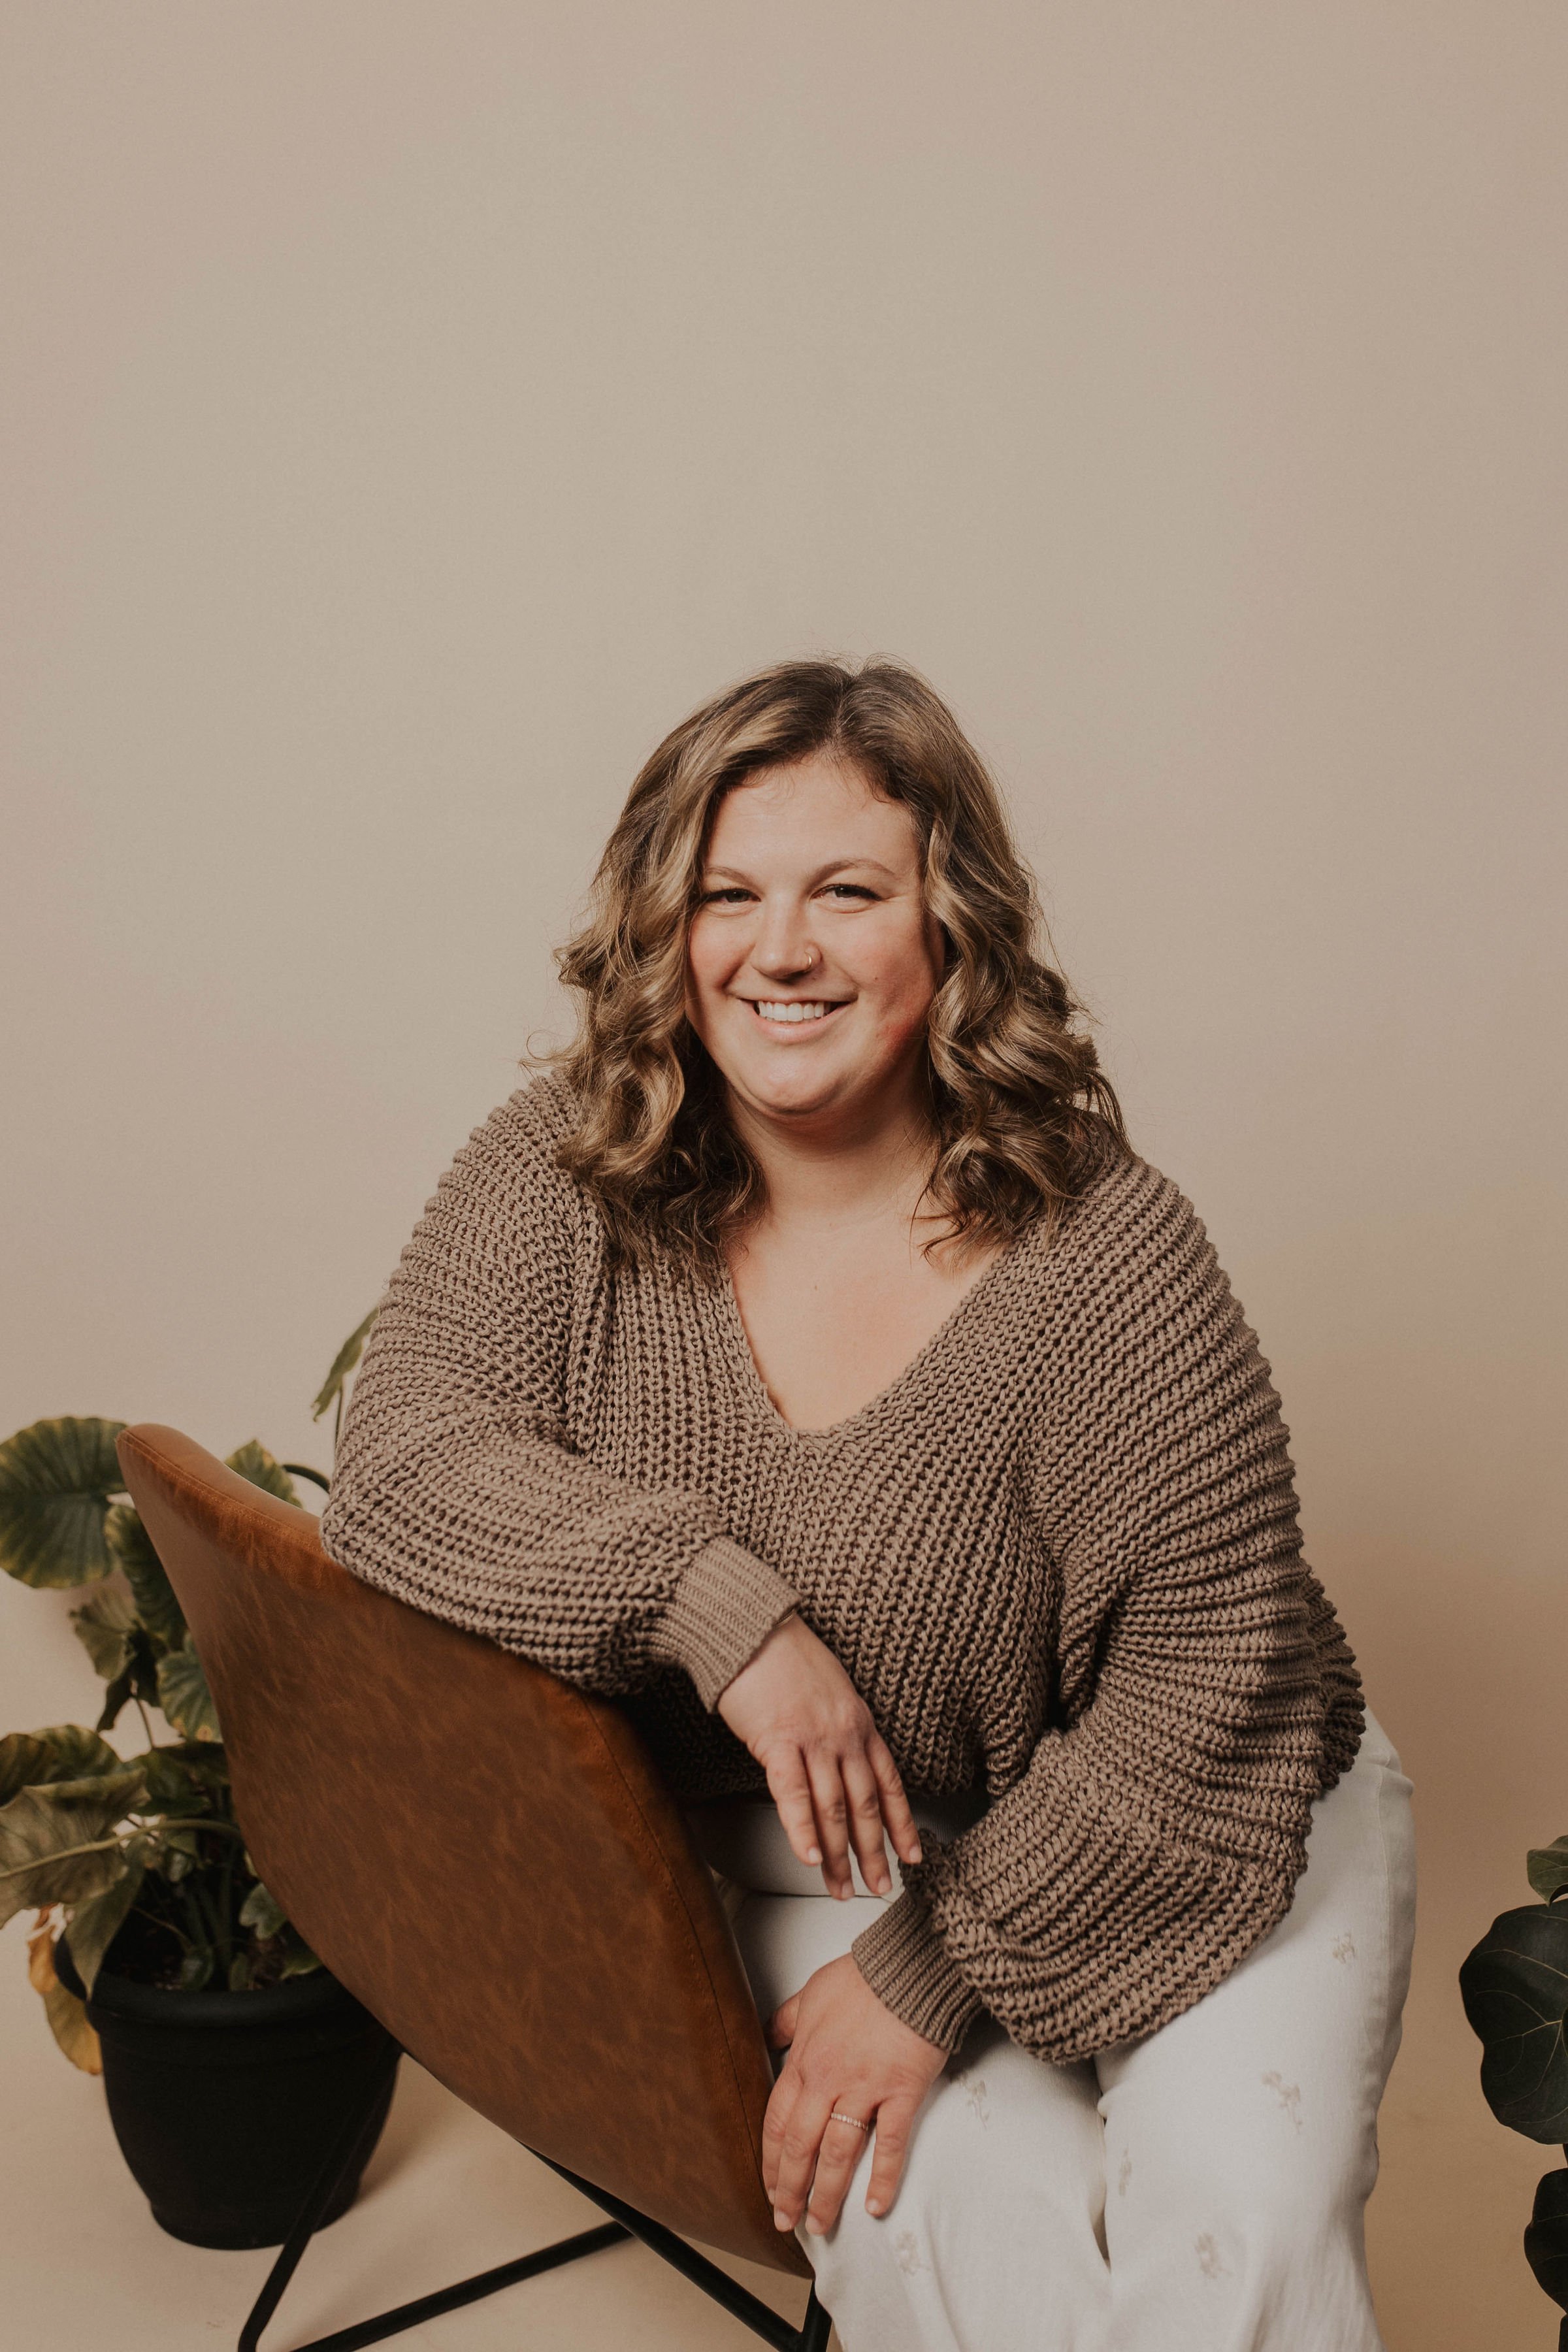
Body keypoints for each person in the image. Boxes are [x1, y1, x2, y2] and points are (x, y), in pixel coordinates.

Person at [319, 657, 1416, 2352]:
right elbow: (402, 1452)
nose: (781, 951)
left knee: (1239, 2235)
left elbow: (1205, 1689)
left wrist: (933, 1970)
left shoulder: (1105, 1248)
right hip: (825, 1862)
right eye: (728, 896)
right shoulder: (573, 1167)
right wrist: (722, 1612)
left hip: (1208, 1813)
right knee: (954, 2213)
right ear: (667, 928)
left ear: (950, 924)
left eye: (848, 892)